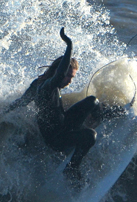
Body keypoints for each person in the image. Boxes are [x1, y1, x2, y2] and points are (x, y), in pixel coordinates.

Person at [7, 27, 103, 179]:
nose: (70, 81)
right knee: (90, 136)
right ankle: (72, 168)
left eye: (72, 78)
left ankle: (100, 118)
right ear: (59, 73)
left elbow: (20, 102)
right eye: (68, 77)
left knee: (93, 101)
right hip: (56, 139)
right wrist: (69, 45)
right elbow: (59, 75)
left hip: (63, 124)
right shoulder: (47, 87)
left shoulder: (38, 83)